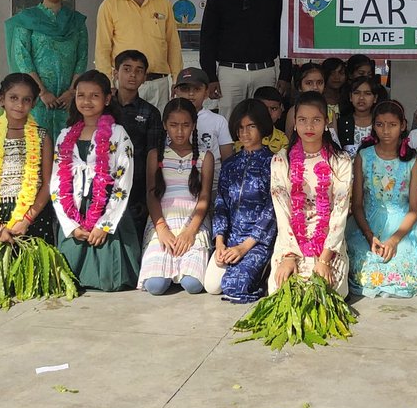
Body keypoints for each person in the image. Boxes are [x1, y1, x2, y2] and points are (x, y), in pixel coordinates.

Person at [346, 101, 417, 297]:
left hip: (403, 225)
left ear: (403, 125)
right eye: (380, 124)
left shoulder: (412, 161)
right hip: (366, 224)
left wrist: (394, 240)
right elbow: (357, 204)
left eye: (392, 124)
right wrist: (369, 236)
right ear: (373, 126)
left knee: (402, 263)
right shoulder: (364, 156)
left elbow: (413, 208)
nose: (385, 130)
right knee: (365, 263)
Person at [51, 70, 140, 293]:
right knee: (65, 277)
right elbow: (56, 183)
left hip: (108, 209)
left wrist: (104, 225)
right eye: (81, 95)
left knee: (111, 280)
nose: (87, 101)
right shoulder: (65, 135)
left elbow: (123, 181)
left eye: (94, 96)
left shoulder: (118, 134)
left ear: (107, 99)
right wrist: (70, 226)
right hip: (74, 211)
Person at [270, 91, 353, 297]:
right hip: (290, 239)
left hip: (329, 240)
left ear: (326, 121)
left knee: (324, 294)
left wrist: (325, 258)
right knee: (282, 292)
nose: (309, 127)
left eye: (316, 120)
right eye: (302, 120)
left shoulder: (341, 161)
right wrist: (288, 255)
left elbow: (341, 211)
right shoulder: (281, 160)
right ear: (294, 123)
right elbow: (281, 211)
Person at [200, 0, 290, 116]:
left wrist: (285, 75)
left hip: (265, 71)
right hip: (230, 73)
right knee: (229, 122)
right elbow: (207, 39)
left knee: (264, 120)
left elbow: (284, 35)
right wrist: (210, 77)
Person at [139, 98, 213, 295]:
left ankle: (181, 268)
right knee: (155, 286)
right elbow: (151, 194)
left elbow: (204, 197)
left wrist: (190, 232)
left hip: (194, 222)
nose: (180, 132)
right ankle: (168, 268)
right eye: (173, 125)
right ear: (164, 125)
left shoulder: (205, 157)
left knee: (193, 285)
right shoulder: (155, 155)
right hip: (162, 221)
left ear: (194, 126)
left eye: (186, 125)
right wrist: (162, 229)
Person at [6, 0, 88, 139]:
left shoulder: (76, 21)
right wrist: (42, 92)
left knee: (67, 148)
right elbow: (23, 58)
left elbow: (82, 58)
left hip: (67, 100)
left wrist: (72, 92)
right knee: (36, 147)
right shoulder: (28, 19)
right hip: (35, 98)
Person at [208, 100, 278, 303]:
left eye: (251, 126)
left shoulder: (274, 163)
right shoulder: (230, 164)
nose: (244, 133)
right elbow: (221, 203)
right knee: (212, 286)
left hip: (257, 242)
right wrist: (220, 242)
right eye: (240, 128)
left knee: (234, 287)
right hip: (231, 239)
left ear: (262, 126)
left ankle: (265, 273)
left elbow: (271, 211)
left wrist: (244, 247)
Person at [0, 74, 56, 245]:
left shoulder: (42, 137)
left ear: (34, 103)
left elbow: (48, 184)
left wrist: (26, 220)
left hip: (33, 214)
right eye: (13, 98)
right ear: (1, 99)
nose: (20, 105)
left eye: (26, 100)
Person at [95, 0, 183, 111]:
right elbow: (103, 48)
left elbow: (173, 44)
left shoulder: (163, 4)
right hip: (126, 83)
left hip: (159, 83)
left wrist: (178, 79)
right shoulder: (109, 5)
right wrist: (107, 84)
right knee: (125, 130)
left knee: (159, 130)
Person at [111, 50, 163, 240]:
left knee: (133, 240)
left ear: (144, 77)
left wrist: (148, 195)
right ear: (115, 73)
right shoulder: (104, 106)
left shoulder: (150, 113)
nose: (132, 75)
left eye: (139, 71)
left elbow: (153, 154)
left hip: (137, 188)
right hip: (105, 184)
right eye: (127, 69)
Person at [172, 67, 233, 194]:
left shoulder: (218, 121)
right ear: (175, 91)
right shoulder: (168, 119)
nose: (190, 94)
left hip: (213, 188)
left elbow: (227, 160)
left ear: (206, 93)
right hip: (177, 187)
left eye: (197, 89)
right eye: (185, 89)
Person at [331, 75, 383, 156]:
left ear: (375, 98)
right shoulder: (341, 121)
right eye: (356, 93)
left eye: (367, 93)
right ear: (351, 97)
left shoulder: (381, 122)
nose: (361, 97)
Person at [283, 63, 328, 137]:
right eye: (309, 83)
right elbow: (289, 141)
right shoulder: (293, 111)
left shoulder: (329, 110)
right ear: (300, 87)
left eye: (319, 82)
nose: (315, 87)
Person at [246, 86, 289, 153]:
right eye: (264, 108)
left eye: (274, 108)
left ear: (280, 112)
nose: (268, 113)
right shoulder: (244, 135)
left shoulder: (283, 139)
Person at [321, 57, 347, 122]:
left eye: (341, 73)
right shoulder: (318, 99)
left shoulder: (348, 99)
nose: (337, 77)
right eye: (332, 73)